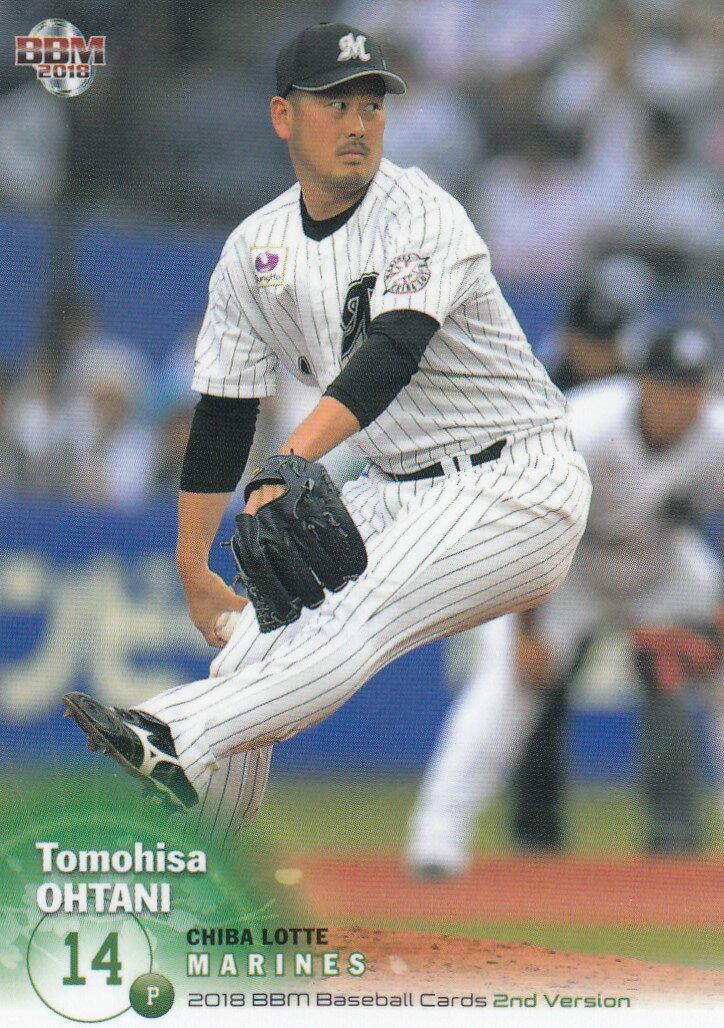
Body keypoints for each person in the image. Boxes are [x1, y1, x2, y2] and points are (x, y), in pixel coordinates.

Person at [61, 23, 590, 844]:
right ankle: (211, 876)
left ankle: (171, 733)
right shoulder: (254, 249)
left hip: (517, 480)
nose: (358, 123)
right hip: (395, 486)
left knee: (356, 616)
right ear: (283, 116)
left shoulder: (421, 211)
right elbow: (225, 411)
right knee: (248, 652)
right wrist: (192, 564)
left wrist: (292, 456)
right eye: (335, 104)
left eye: (371, 105)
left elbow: (392, 354)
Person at [407, 318, 722, 875]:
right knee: (506, 682)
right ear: (643, 382)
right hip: (565, 564)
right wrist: (527, 632)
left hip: (662, 560)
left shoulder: (715, 433)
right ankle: (438, 837)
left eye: (695, 387)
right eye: (673, 385)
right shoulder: (584, 425)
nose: (684, 401)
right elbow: (529, 528)